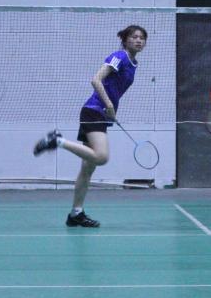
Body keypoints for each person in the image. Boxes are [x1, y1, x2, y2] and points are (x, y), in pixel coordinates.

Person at [32, 25, 148, 228]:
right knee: (101, 157)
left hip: (101, 114)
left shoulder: (134, 63)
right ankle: (58, 141)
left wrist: (111, 109)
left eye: (142, 38)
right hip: (94, 110)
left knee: (88, 168)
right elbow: (96, 80)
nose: (139, 40)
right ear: (125, 40)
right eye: (134, 37)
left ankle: (76, 213)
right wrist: (109, 105)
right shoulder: (119, 56)